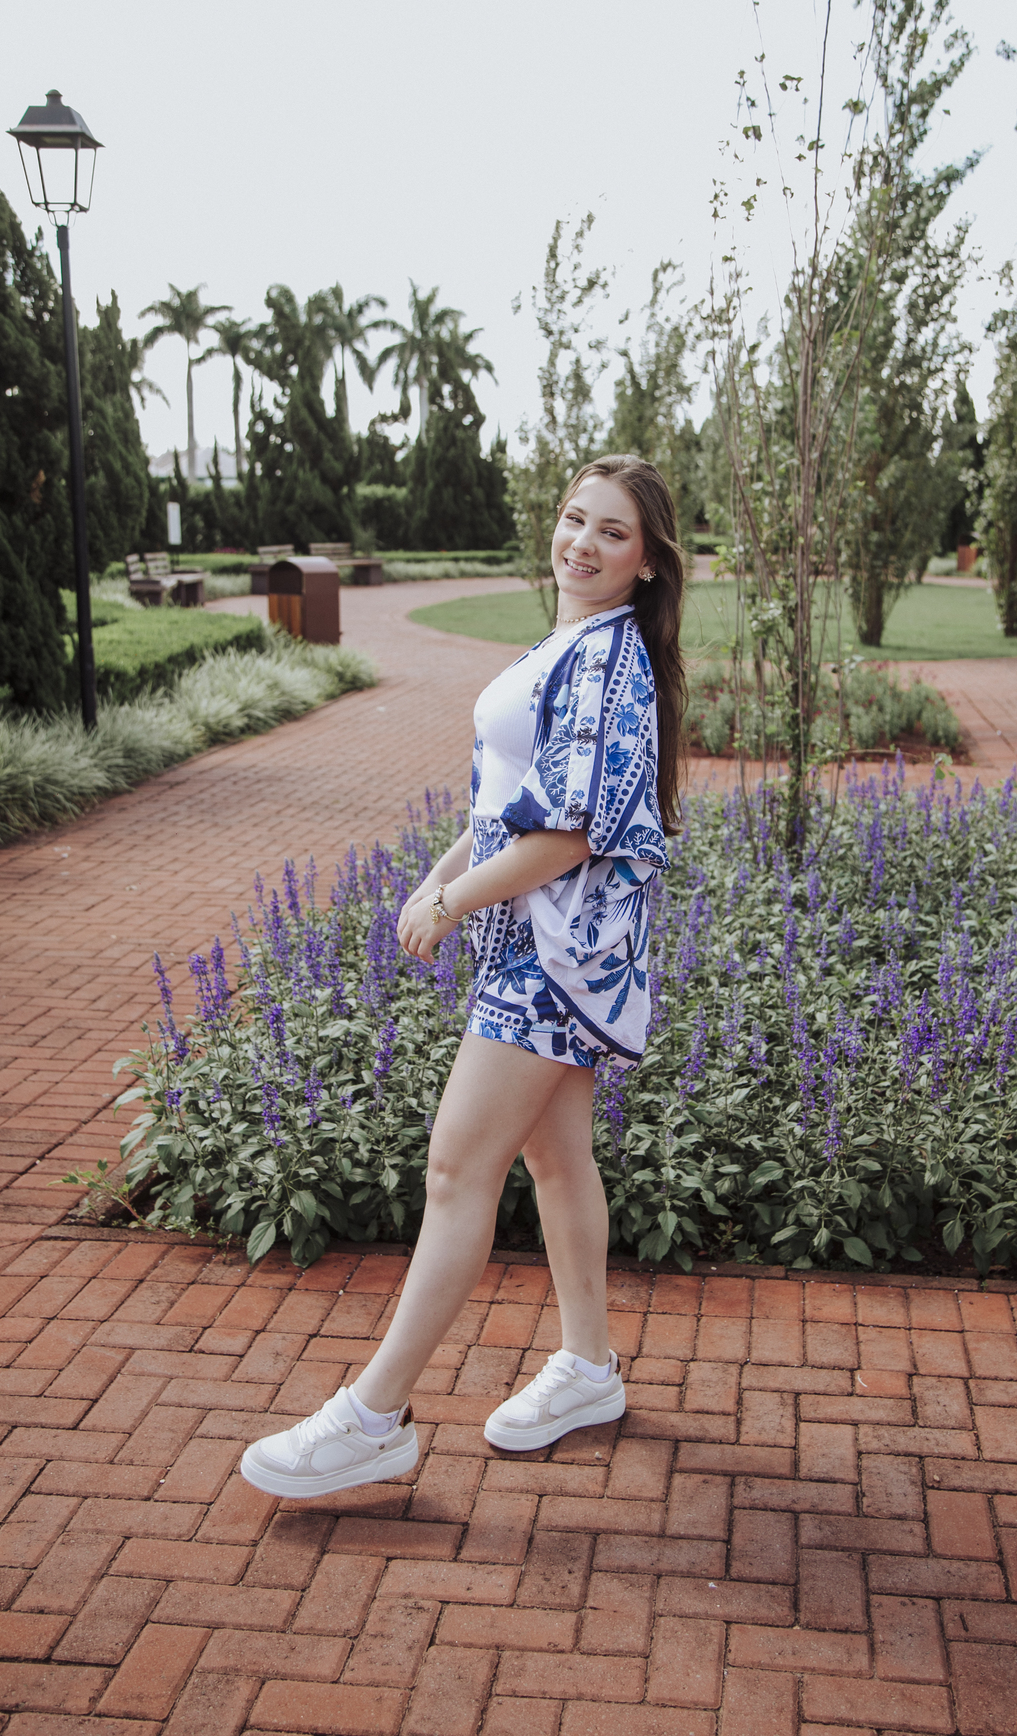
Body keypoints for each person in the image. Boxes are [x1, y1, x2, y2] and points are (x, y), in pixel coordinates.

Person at [240, 455, 687, 1499]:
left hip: (552, 956)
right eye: (574, 518)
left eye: (612, 531)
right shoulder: (574, 644)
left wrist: (451, 903)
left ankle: (374, 1419)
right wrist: (443, 876)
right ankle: (588, 1370)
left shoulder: (607, 661)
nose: (582, 542)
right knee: (557, 1161)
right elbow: (512, 806)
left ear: (648, 562)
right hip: (550, 950)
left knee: (456, 1171)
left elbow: (570, 834)